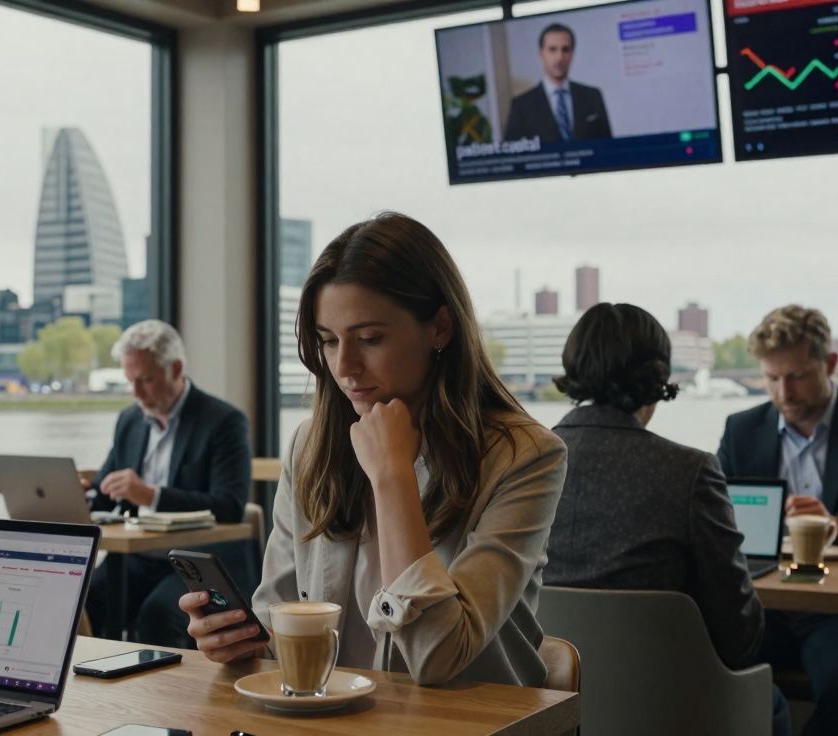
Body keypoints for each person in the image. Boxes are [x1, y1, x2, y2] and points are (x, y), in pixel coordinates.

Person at [181, 213, 567, 686]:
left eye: (369, 339)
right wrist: (236, 642)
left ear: (440, 328)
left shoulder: (525, 457)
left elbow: (439, 655)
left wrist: (391, 476)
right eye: (328, 342)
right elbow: (276, 628)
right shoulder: (311, 447)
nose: (344, 367)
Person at [544, 303, 789, 736]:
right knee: (773, 702)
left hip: (545, 708)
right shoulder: (689, 472)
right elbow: (739, 636)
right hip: (672, 709)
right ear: (658, 379)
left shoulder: (521, 463)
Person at [718, 305, 838, 736]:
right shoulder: (741, 430)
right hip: (764, 608)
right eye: (771, 379)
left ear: (829, 365)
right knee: (701, 669)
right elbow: (717, 522)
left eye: (797, 376)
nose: (783, 393)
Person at [84, 319, 252, 646]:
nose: (135, 392)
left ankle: (166, 698)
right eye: (129, 380)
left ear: (175, 369)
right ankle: (100, 690)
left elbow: (230, 505)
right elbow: (108, 489)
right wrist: (88, 492)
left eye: (145, 380)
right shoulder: (130, 420)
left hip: (201, 562)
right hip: (139, 559)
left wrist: (150, 495)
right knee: (84, 601)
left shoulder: (224, 421)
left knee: (158, 616)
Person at [503, 23, 612, 143]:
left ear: (572, 54)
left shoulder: (592, 96)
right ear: (541, 54)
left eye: (565, 50)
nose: (559, 57)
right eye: (552, 49)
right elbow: (513, 153)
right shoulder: (522, 105)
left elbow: (607, 148)